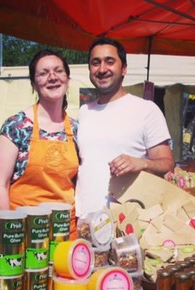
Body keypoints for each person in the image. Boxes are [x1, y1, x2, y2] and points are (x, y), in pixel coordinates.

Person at [75, 37, 175, 217]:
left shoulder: (146, 110)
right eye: (95, 63)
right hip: (84, 219)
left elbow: (167, 164)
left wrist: (141, 162)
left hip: (126, 222)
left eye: (110, 62)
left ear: (124, 69)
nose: (102, 69)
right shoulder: (84, 112)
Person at [0, 49, 79, 239]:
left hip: (65, 233)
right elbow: (1, 184)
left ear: (68, 79)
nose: (52, 77)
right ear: (34, 84)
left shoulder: (76, 129)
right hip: (25, 233)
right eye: (43, 73)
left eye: (58, 71)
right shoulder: (16, 126)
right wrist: (8, 234)